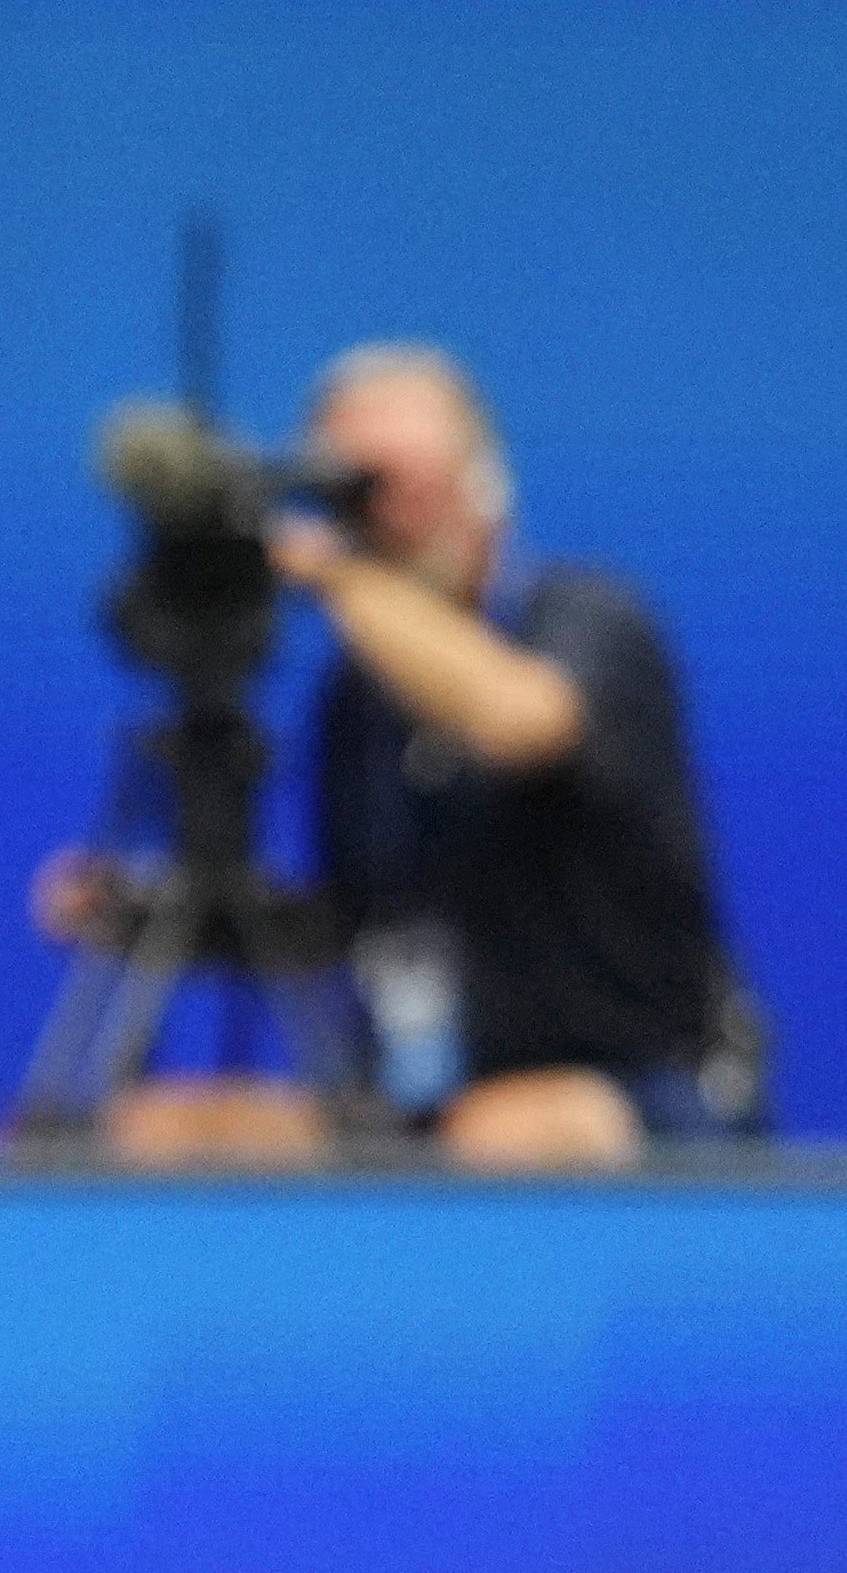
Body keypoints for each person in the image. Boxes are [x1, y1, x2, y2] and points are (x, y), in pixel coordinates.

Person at [282, 343, 757, 1156]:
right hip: (424, 1087)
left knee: (507, 1133)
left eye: (402, 484)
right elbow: (356, 917)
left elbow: (516, 717)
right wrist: (146, 912)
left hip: (638, 1091)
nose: (383, 518)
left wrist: (339, 577)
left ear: (481, 480)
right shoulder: (351, 697)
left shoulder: (588, 619)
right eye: (355, 491)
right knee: (195, 1131)